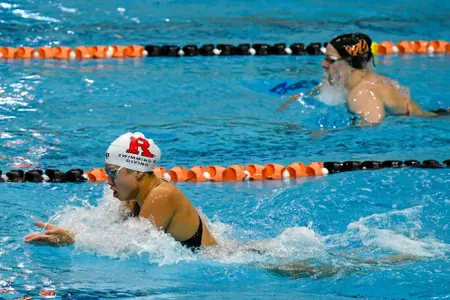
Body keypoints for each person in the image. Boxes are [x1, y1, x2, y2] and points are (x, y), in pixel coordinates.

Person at [24, 132, 217, 251]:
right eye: (106, 172)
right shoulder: (132, 196)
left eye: (113, 173)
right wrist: (66, 231)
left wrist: (74, 238)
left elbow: (130, 244)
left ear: (138, 172)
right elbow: (111, 231)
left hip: (216, 263)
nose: (108, 181)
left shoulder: (162, 194)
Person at [277, 33, 448, 124]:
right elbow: (312, 94)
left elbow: (371, 132)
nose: (323, 64)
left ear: (349, 62)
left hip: (425, 123)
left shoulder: (361, 93)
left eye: (331, 60)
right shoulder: (341, 80)